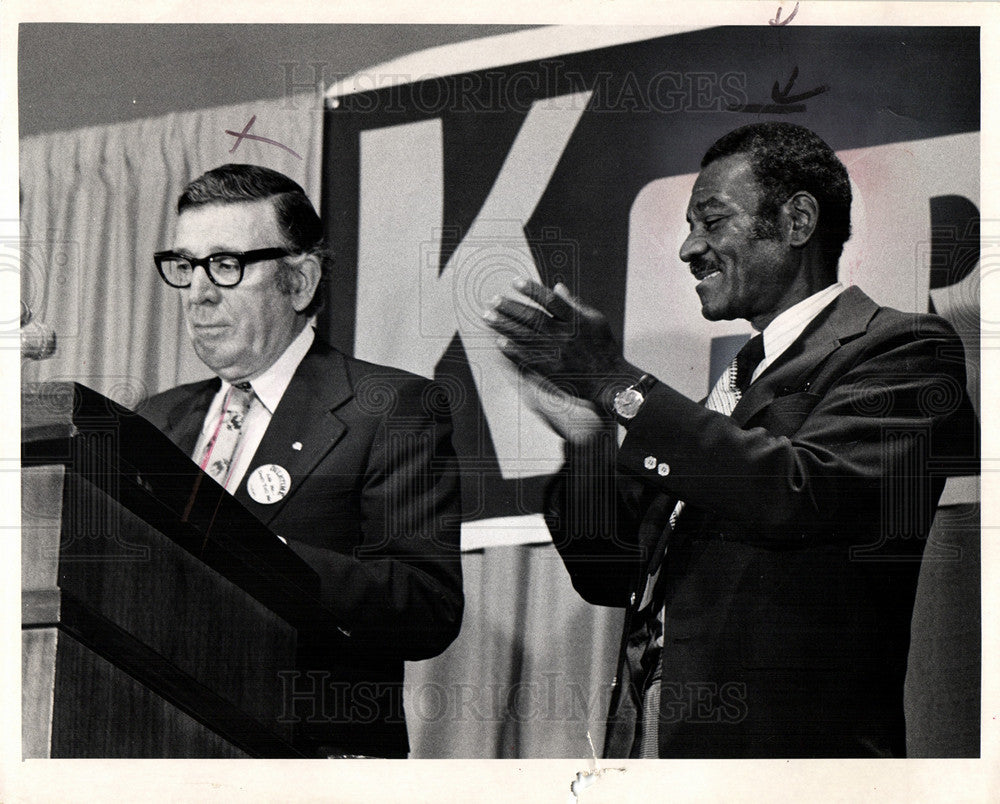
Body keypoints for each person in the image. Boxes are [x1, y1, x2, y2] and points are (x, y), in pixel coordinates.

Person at [484, 122, 977, 758]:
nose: (690, 248)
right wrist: (587, 441)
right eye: (691, 226)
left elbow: (801, 493)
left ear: (798, 221)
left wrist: (617, 382)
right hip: (654, 746)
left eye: (712, 221)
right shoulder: (733, 389)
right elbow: (607, 573)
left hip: (788, 760)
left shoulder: (904, 348)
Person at [142, 164, 463, 758]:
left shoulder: (389, 408)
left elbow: (427, 607)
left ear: (300, 281)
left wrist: (265, 558)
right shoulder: (156, 421)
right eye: (185, 266)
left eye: (226, 264)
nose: (199, 292)